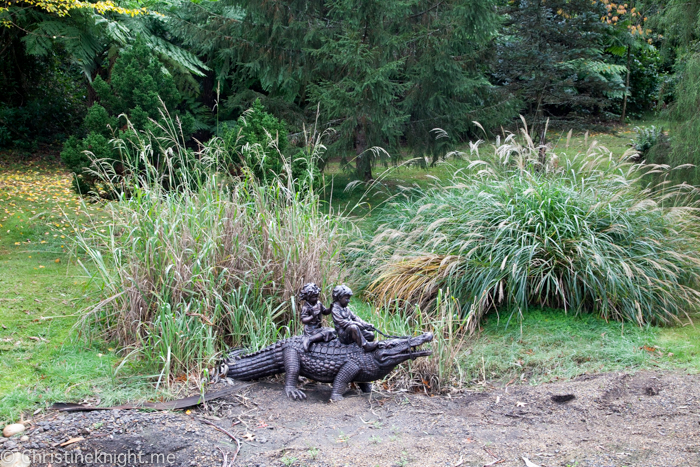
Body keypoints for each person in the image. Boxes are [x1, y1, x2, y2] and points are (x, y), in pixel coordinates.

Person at [330, 285, 377, 352]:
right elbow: (342, 322)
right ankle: (365, 346)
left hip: (352, 333)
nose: (348, 301)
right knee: (353, 327)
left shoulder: (346, 309)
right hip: (344, 336)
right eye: (347, 298)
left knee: (370, 335)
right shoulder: (335, 309)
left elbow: (356, 318)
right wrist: (357, 324)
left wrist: (367, 325)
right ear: (340, 297)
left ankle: (359, 347)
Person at [298, 283, 336, 351]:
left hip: (318, 328)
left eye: (317, 296)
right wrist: (312, 316)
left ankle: (318, 338)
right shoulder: (306, 307)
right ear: (308, 297)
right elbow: (303, 320)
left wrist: (330, 308)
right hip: (310, 330)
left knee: (332, 330)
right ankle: (310, 339)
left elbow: (325, 311)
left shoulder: (318, 303)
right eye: (314, 297)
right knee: (326, 333)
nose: (316, 298)